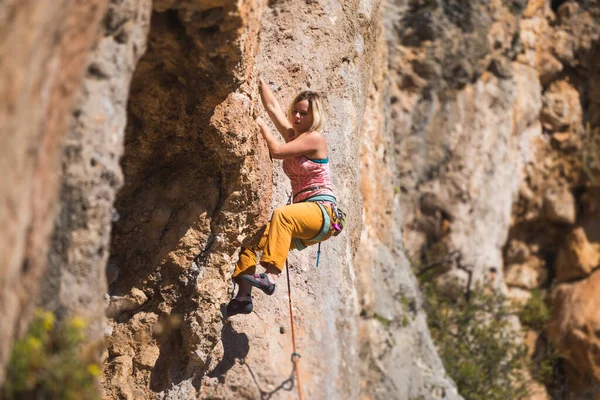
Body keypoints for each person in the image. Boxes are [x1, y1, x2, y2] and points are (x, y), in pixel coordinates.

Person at [226, 78, 340, 317]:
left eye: (304, 114)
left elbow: (276, 152)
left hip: (322, 211)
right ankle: (243, 296)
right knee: (253, 241)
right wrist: (256, 82)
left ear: (314, 117)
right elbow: (273, 107)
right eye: (296, 112)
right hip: (307, 216)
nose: (298, 118)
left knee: (282, 215)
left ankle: (270, 277)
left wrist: (262, 127)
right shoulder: (293, 136)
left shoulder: (315, 138)